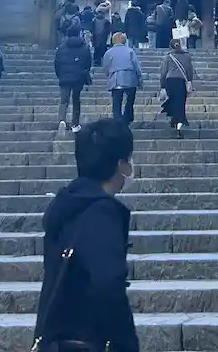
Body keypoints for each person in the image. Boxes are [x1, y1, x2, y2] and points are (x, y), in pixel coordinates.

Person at [32, 118, 139, 352]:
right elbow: (107, 283)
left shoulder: (67, 204)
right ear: (120, 165)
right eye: (128, 158)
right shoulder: (101, 213)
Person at [54, 21, 93, 134]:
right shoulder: (84, 47)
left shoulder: (61, 47)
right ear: (78, 33)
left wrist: (60, 74)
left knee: (64, 100)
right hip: (78, 77)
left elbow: (57, 63)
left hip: (64, 77)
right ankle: (75, 124)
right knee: (76, 100)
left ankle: (62, 120)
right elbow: (88, 62)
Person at [102, 31, 143, 123]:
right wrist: (140, 81)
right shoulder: (130, 51)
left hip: (115, 79)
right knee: (130, 100)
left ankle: (117, 121)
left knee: (116, 103)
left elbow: (106, 67)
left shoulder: (108, 53)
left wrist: (108, 76)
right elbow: (137, 67)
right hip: (130, 78)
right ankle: (128, 117)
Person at [159, 36, 195, 135]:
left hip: (170, 81)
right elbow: (189, 70)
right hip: (181, 81)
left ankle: (175, 120)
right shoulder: (187, 56)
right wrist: (190, 81)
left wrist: (162, 85)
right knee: (180, 102)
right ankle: (178, 122)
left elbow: (163, 72)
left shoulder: (168, 57)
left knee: (173, 101)